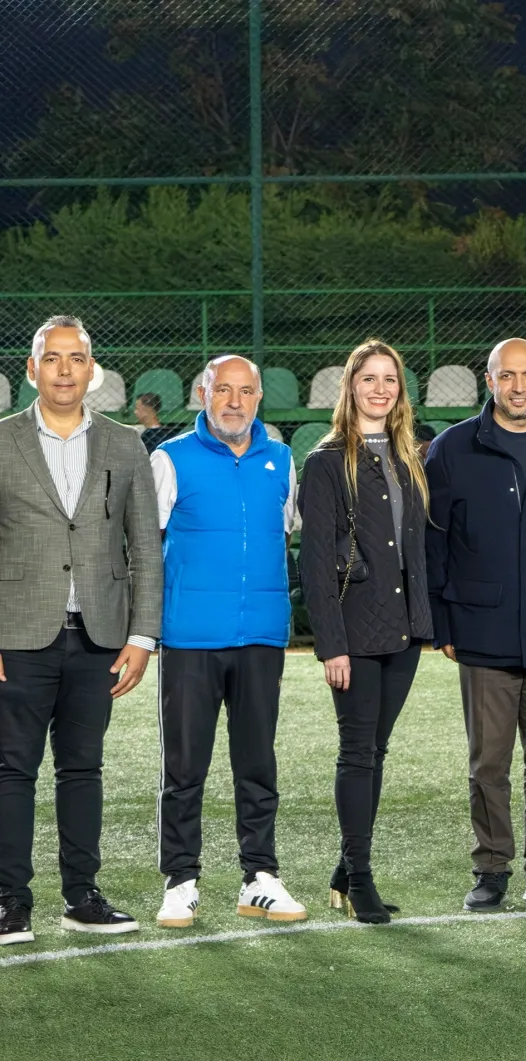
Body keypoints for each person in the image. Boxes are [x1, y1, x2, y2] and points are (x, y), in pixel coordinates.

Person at [0, 316, 160, 946]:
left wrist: (142, 636)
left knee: (83, 769)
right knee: (12, 769)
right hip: (17, 634)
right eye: (52, 358)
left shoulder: (124, 444)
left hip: (100, 637)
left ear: (92, 370)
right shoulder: (2, 440)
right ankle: (10, 901)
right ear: (32, 369)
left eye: (76, 358)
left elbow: (145, 547)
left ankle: (81, 896)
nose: (64, 370)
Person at [426, 339, 526, 912]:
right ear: (489, 380)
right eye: (507, 375)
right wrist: (443, 620)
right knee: (488, 763)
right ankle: (491, 868)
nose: (519, 387)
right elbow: (434, 541)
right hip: (481, 630)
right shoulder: (453, 448)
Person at [152, 354, 305, 929]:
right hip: (190, 639)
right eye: (223, 390)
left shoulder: (282, 460)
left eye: (245, 391)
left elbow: (285, 532)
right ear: (203, 394)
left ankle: (259, 877)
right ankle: (180, 880)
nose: (235, 402)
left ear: (259, 398)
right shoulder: (170, 459)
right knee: (184, 767)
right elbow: (146, 546)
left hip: (261, 637)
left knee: (257, 762)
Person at [300, 341, 434, 924]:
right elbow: (313, 565)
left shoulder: (410, 457)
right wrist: (331, 645)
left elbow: (417, 550)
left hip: (403, 630)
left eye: (390, 380)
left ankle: (342, 871)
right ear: (350, 387)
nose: (380, 389)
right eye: (369, 379)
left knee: (375, 751)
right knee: (357, 753)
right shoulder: (326, 461)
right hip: (354, 632)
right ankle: (360, 879)